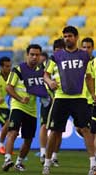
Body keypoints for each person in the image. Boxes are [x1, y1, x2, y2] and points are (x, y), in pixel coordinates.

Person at [42, 26, 96, 175]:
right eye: (65, 36)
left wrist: (92, 93)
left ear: (76, 37)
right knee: (54, 131)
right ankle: (46, 164)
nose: (67, 39)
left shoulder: (85, 56)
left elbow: (89, 77)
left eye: (70, 36)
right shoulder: (56, 56)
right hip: (61, 98)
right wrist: (49, 82)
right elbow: (45, 74)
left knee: (86, 130)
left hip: (79, 98)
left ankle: (93, 164)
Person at [2, 44, 47, 172]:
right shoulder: (18, 69)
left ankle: (19, 163)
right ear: (27, 55)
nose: (34, 57)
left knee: (28, 140)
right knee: (13, 132)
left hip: (32, 110)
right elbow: (8, 87)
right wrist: (20, 98)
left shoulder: (41, 72)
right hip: (17, 106)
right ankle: (7, 159)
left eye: (37, 55)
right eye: (32, 54)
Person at [39, 39, 65, 166]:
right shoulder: (48, 64)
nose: (59, 53)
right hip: (47, 99)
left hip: (61, 99)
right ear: (54, 51)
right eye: (57, 50)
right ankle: (43, 152)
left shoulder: (65, 63)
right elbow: (43, 80)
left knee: (58, 130)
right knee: (44, 125)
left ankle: (54, 155)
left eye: (61, 50)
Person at [0, 56, 12, 155]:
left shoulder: (11, 77)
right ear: (1, 67)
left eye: (10, 66)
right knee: (7, 123)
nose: (9, 68)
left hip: (4, 106)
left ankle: (7, 147)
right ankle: (0, 146)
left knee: (11, 125)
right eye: (7, 66)